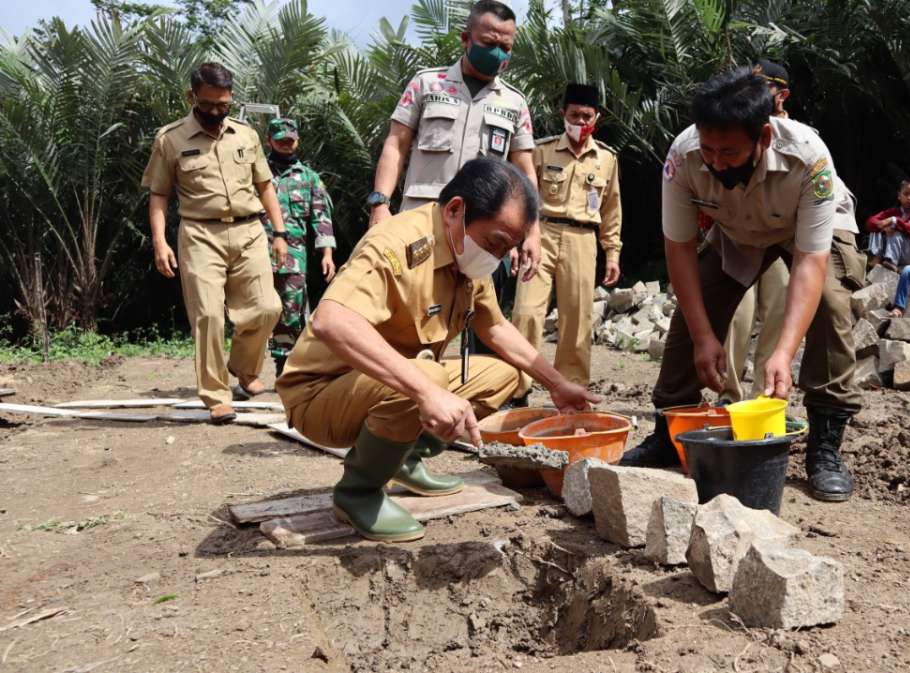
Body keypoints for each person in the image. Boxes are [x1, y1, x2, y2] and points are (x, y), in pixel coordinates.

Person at [276, 158, 599, 543]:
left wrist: (556, 383)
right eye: (495, 243)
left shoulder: (466, 254)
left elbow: (494, 326)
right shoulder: (395, 245)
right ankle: (358, 492)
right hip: (320, 394)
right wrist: (426, 391)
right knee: (426, 378)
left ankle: (404, 459)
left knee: (504, 376)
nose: (497, 258)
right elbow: (331, 322)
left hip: (386, 382)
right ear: (455, 210)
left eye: (507, 249)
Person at [620, 68, 867, 503]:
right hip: (738, 230)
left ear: (764, 137)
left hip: (807, 229)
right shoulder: (683, 156)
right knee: (694, 311)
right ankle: (668, 430)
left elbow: (810, 261)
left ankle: (825, 445)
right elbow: (679, 249)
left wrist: (783, 353)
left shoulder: (809, 158)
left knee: (830, 304)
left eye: (728, 152)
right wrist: (703, 338)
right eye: (708, 149)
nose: (715, 162)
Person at [142, 62, 286, 424]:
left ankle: (243, 367)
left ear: (231, 98)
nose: (215, 112)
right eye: (207, 104)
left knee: (268, 307)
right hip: (200, 234)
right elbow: (159, 194)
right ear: (191, 97)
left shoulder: (246, 135)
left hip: (249, 231)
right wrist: (160, 242)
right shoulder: (170, 139)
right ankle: (217, 395)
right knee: (207, 315)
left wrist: (280, 233)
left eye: (223, 105)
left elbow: (264, 185)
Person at [366, 0, 540, 283]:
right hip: (421, 224)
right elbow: (395, 145)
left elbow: (525, 171)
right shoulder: (426, 84)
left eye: (506, 47)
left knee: (472, 308)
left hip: (480, 237)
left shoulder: (515, 103)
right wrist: (380, 204)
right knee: (409, 304)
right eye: (488, 43)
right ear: (465, 39)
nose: (497, 53)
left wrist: (532, 230)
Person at [510, 83, 622, 407]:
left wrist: (612, 253)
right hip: (540, 235)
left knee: (577, 320)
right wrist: (513, 242)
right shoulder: (541, 151)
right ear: (563, 114)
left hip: (583, 240)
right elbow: (518, 198)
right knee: (526, 313)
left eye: (587, 116)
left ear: (596, 118)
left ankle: (572, 393)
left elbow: (611, 208)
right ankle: (515, 389)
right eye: (575, 115)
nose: (580, 121)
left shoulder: (607, 159)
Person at [720, 59, 792, 402]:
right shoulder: (732, 129)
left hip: (781, 238)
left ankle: (764, 398)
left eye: (763, 88)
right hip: (739, 236)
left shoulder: (800, 137)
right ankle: (728, 395)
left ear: (782, 95)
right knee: (737, 314)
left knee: (778, 314)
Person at [261, 117, 337, 376]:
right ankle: (246, 371)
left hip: (293, 257)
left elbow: (321, 217)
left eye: (290, 140)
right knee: (254, 310)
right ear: (269, 141)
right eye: (280, 140)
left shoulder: (309, 178)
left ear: (297, 141)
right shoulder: (257, 174)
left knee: (291, 311)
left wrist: (327, 254)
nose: (286, 144)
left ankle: (284, 367)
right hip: (256, 252)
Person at [865, 179, 910, 270]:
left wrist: (895, 221)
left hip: (909, 254)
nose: (909, 198)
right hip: (889, 250)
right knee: (877, 227)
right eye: (906, 194)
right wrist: (884, 227)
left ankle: (891, 262)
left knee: (895, 232)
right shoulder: (892, 211)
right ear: (899, 196)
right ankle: (876, 257)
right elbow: (870, 222)